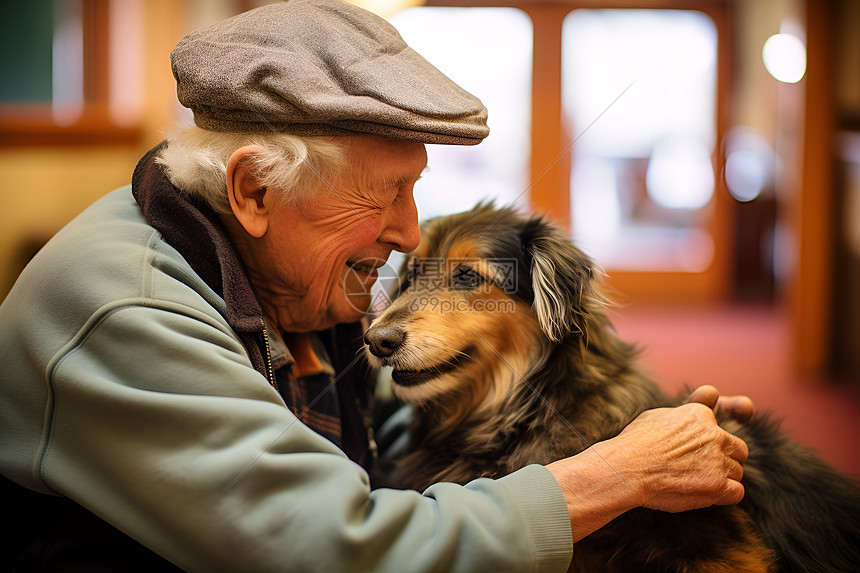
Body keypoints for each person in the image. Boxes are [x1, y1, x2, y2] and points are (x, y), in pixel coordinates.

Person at [0, 1, 753, 571]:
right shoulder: (130, 311)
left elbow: (382, 420)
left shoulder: (288, 265)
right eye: (386, 192)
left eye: (414, 189)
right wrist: (613, 471)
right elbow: (341, 548)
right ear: (255, 191)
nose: (408, 232)